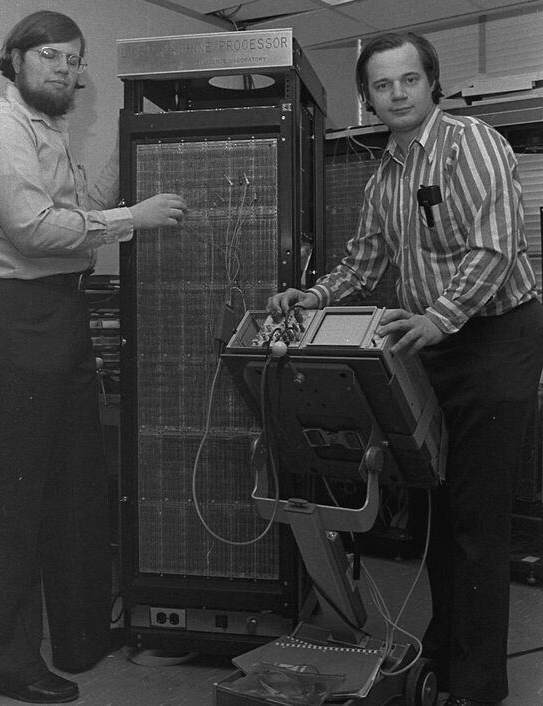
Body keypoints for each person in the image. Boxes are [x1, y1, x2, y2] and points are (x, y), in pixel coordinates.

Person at [268, 31, 543, 706]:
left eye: (408, 81)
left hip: (494, 337)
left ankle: (477, 689)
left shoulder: (471, 143)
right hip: (436, 344)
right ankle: (445, 663)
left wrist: (437, 318)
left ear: (432, 83)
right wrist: (315, 296)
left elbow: (497, 248)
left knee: (476, 521)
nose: (396, 94)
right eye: (382, 85)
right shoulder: (386, 172)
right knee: (440, 514)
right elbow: (365, 262)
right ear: (367, 96)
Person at [0, 10, 187, 705]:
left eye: (72, 58)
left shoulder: (49, 131)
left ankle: (83, 636)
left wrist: (127, 142)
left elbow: (77, 206)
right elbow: (32, 230)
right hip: (12, 314)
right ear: (15, 60)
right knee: (15, 495)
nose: (63, 68)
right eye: (49, 55)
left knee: (77, 481)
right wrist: (133, 220)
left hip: (57, 311)